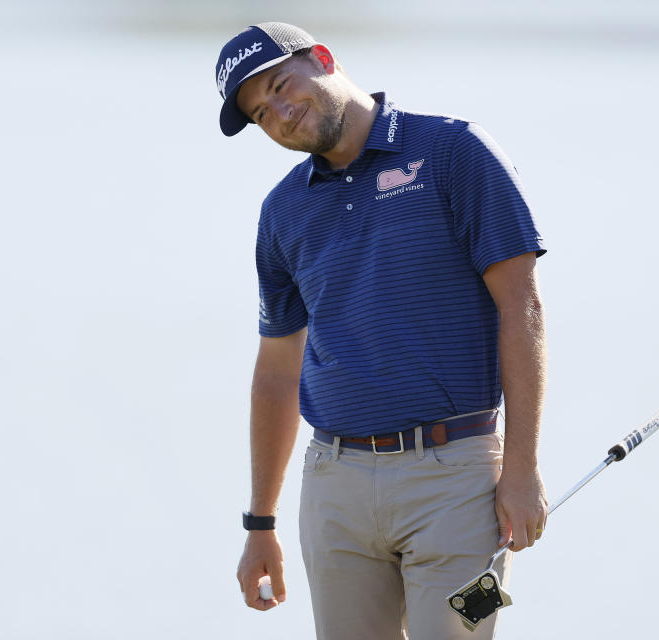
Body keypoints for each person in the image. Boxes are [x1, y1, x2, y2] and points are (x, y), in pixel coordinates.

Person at [217, 22, 549, 639]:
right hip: (335, 488)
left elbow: (520, 306)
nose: (282, 114)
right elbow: (276, 373)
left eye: (282, 86)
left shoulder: (454, 151)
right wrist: (259, 524)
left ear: (322, 58)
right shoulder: (282, 211)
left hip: (456, 481)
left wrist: (522, 468)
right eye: (262, 114)